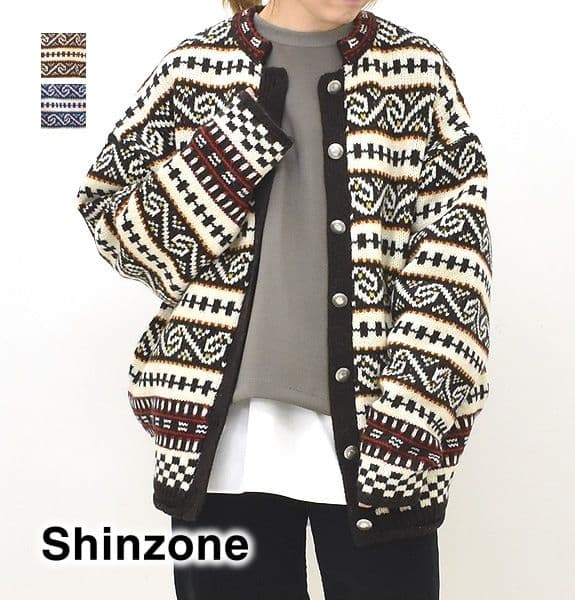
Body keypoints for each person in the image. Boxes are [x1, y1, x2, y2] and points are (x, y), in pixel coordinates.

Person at [75, 0, 491, 598]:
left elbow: (459, 261)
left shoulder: (417, 72)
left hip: (383, 443)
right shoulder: (195, 68)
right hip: (221, 442)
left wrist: (412, 413)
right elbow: (115, 228)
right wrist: (228, 155)